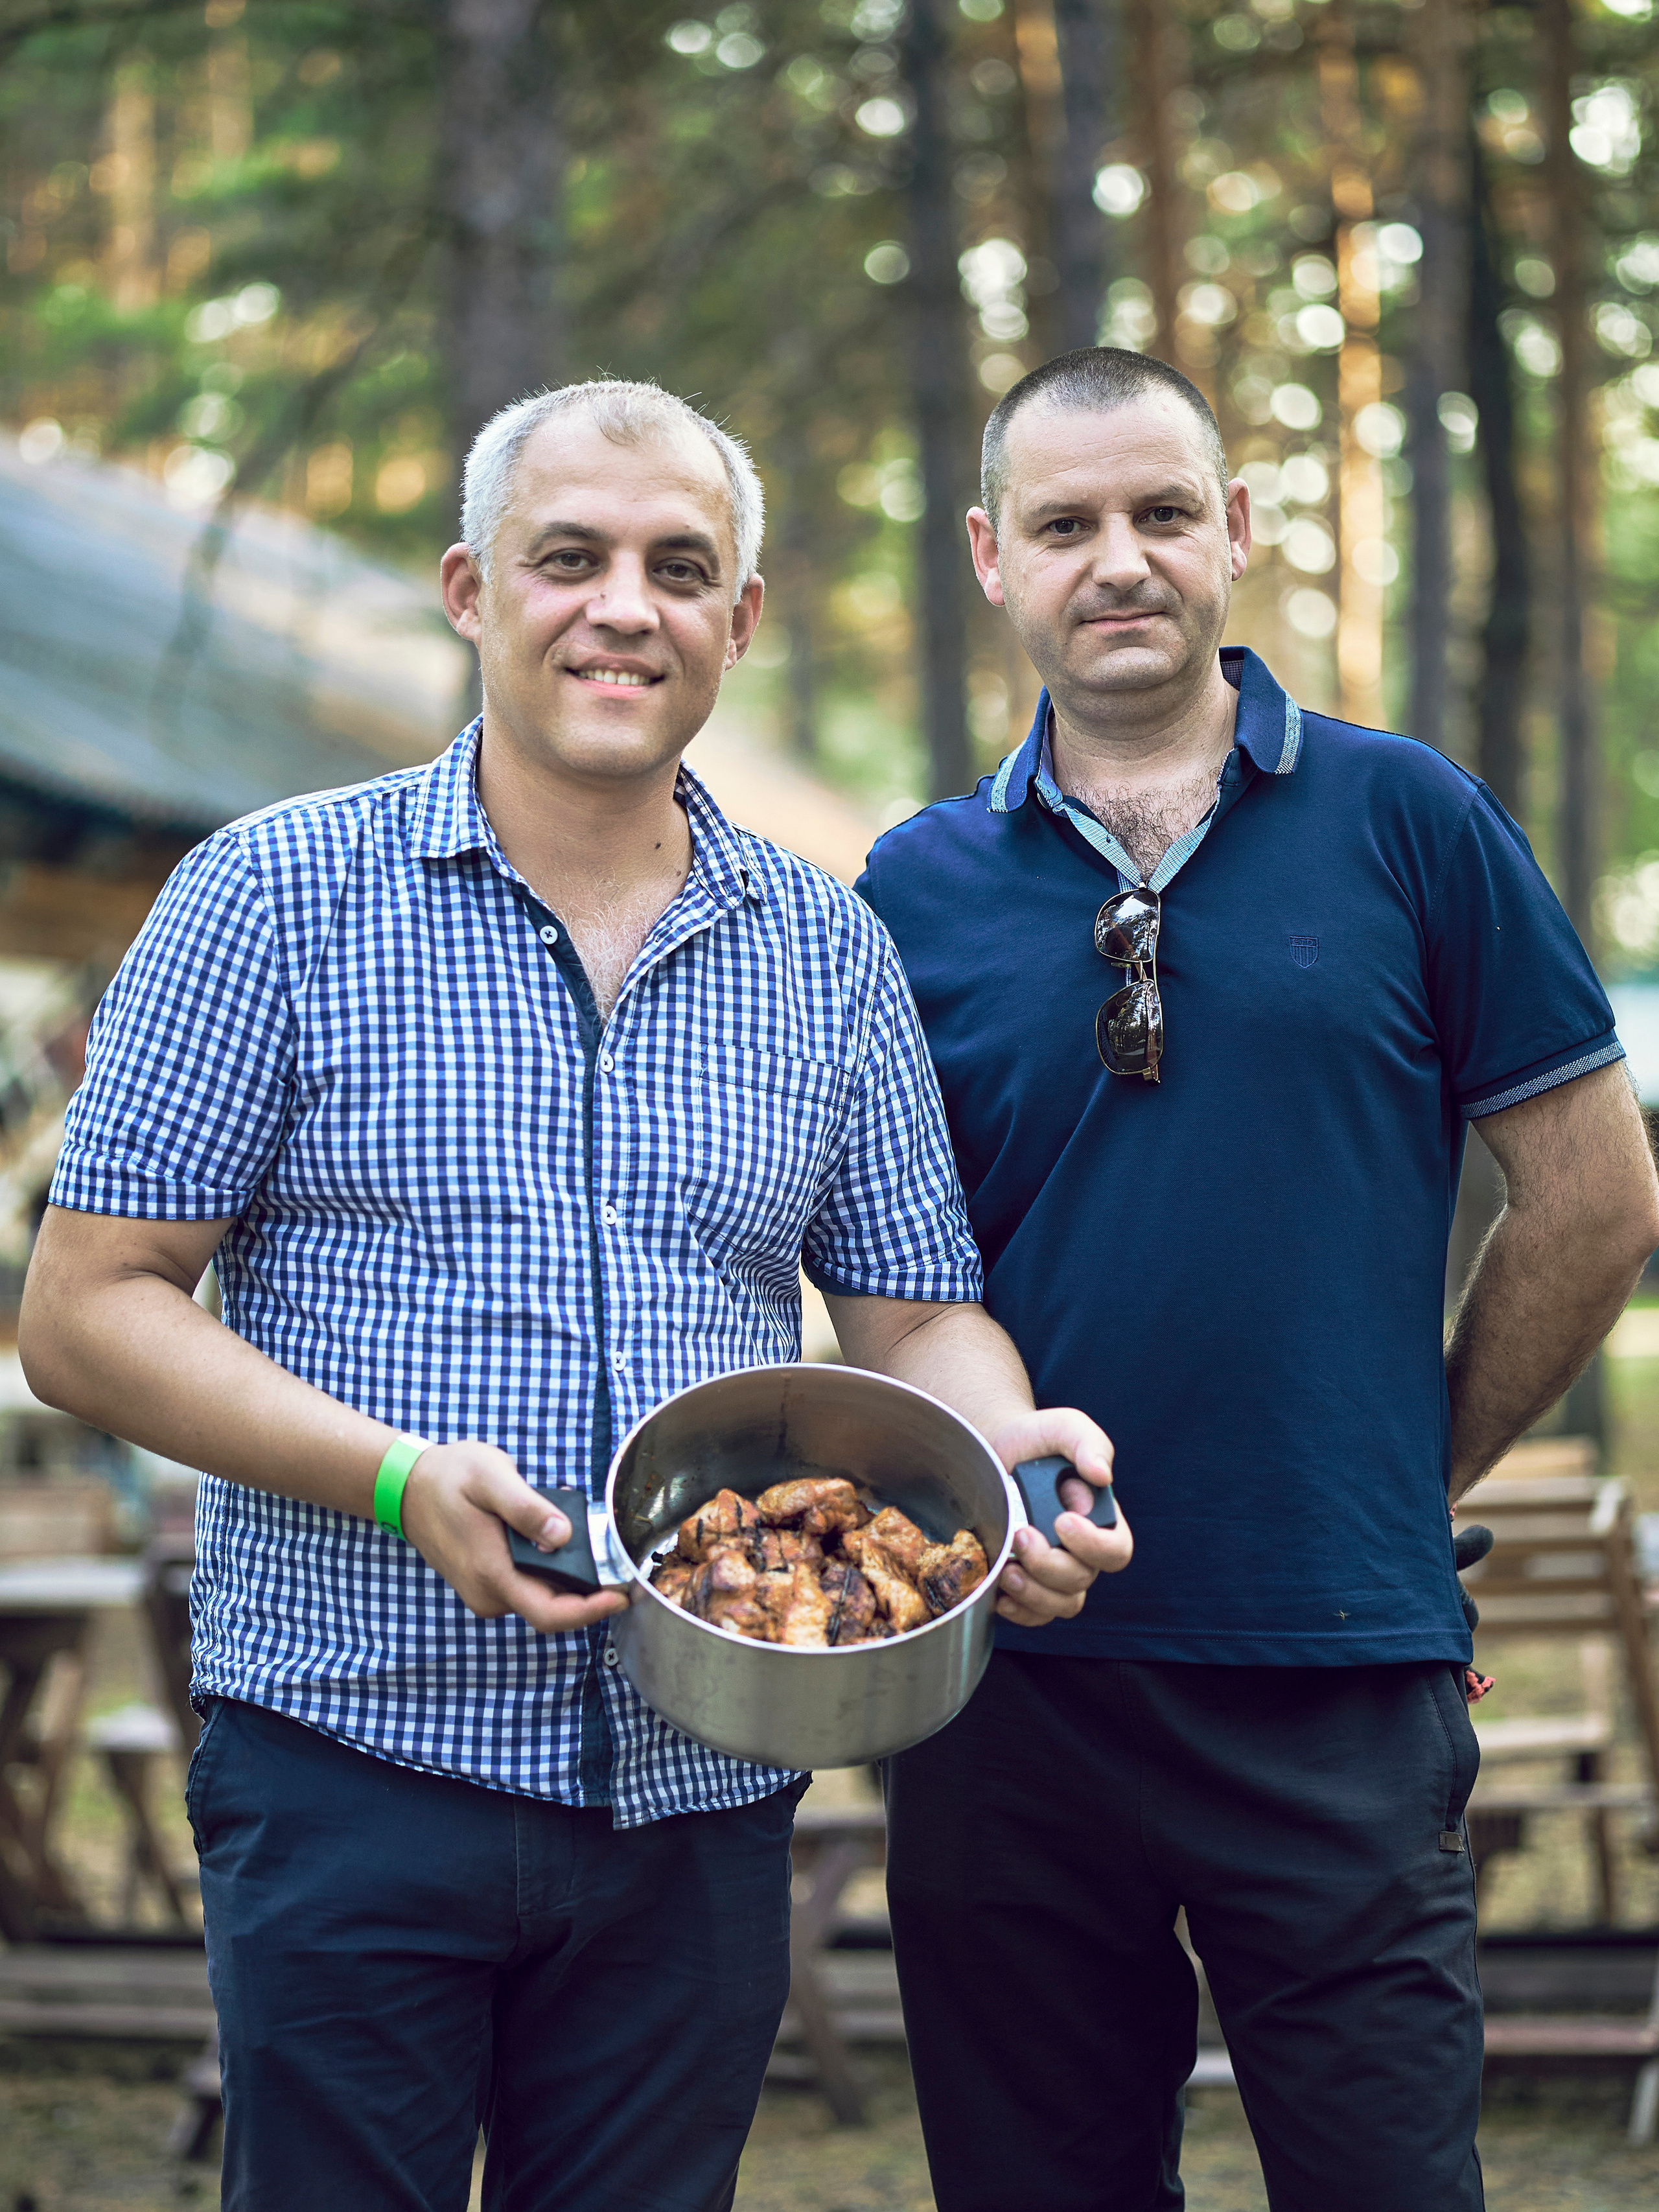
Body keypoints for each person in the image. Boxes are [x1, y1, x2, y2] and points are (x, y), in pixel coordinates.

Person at [17, 377, 1131, 2212]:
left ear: (739, 621)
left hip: (702, 1781)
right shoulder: (268, 900)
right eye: (571, 559)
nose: (626, 606)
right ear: (472, 591)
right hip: (354, 1754)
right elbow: (89, 1306)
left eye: (679, 567)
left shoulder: (829, 950)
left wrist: (1007, 1459)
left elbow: (914, 1314)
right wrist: (396, 1478)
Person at [858, 346, 1659, 2212]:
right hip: (1007, 1680)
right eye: (1066, 525)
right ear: (993, 556)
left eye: (1160, 513)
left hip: (1337, 1678)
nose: (1117, 560)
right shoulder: (913, 885)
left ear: (1238, 530)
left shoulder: (1409, 821)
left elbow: (1599, 1202)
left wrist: (1402, 1476)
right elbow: (883, 1265)